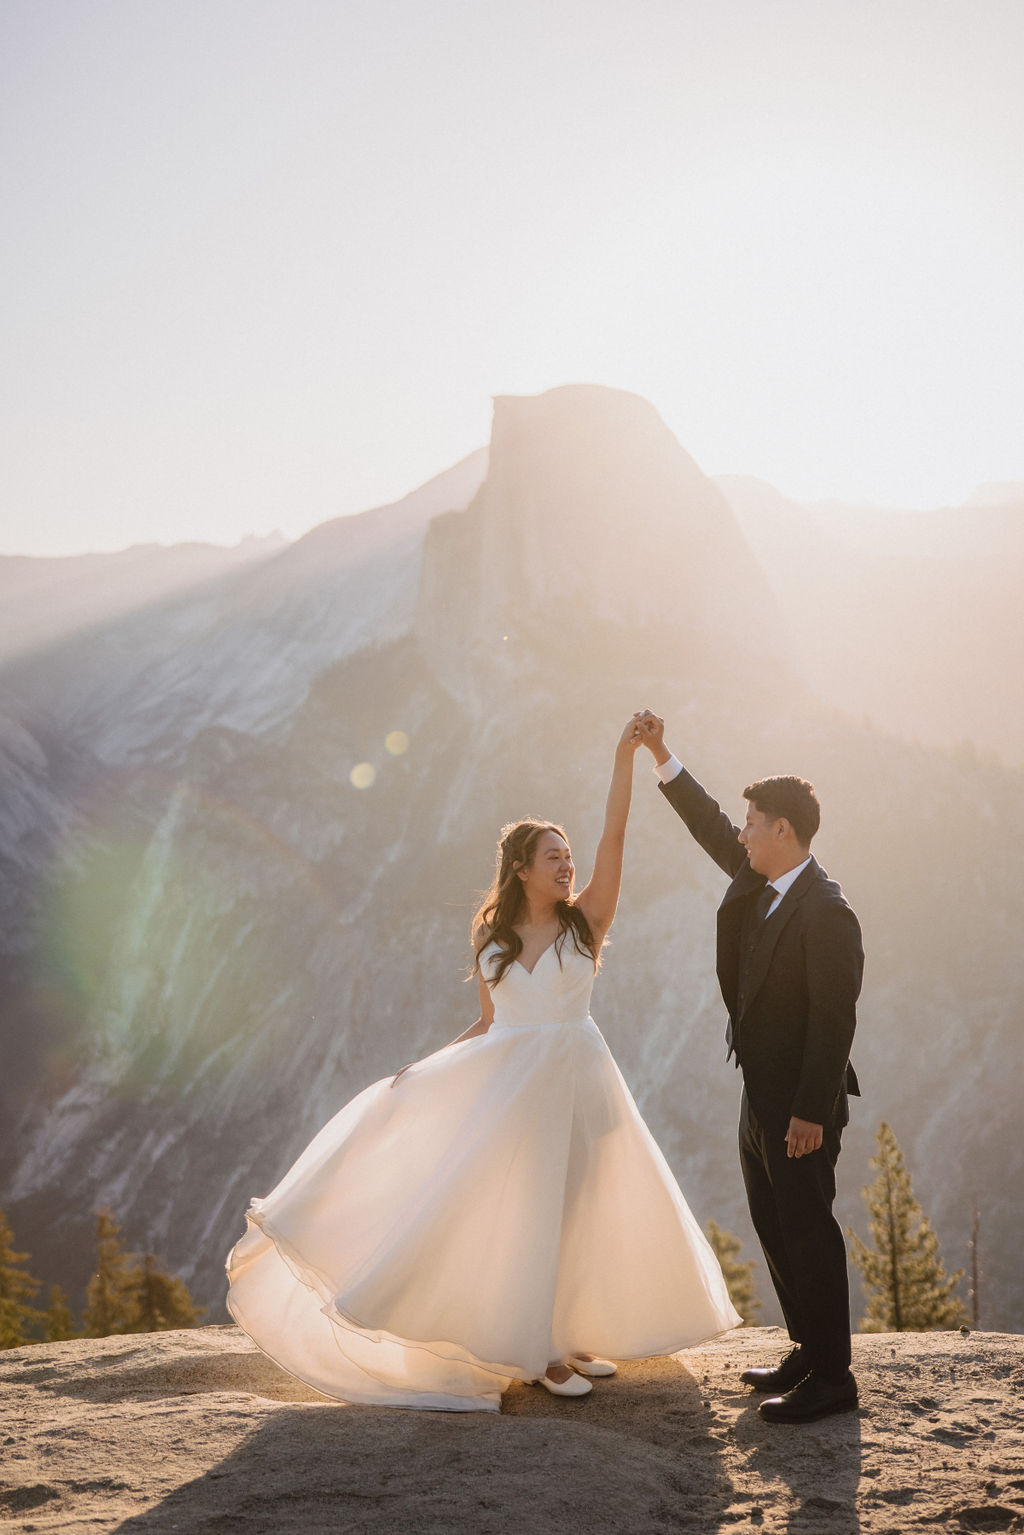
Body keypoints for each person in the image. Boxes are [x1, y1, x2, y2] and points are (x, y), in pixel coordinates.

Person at [225, 719, 739, 1412]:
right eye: (553, 857)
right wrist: (429, 1068)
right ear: (521, 868)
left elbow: (615, 835)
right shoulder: (492, 939)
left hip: (582, 1083)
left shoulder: (586, 921)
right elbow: (494, 1023)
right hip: (514, 1093)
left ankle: (570, 1330)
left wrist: (629, 755)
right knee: (531, 1212)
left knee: (580, 1209)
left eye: (568, 856)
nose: (568, 865)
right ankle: (542, 1355)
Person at [635, 710, 863, 1424]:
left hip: (800, 1107)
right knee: (772, 1221)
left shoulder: (828, 913)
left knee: (808, 1229)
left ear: (783, 832)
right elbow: (706, 821)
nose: (740, 833)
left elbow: (835, 1022)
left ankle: (834, 1378)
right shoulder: (757, 873)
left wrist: (808, 1112)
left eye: (752, 823)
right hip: (757, 1098)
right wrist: (661, 754)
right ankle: (807, 1346)